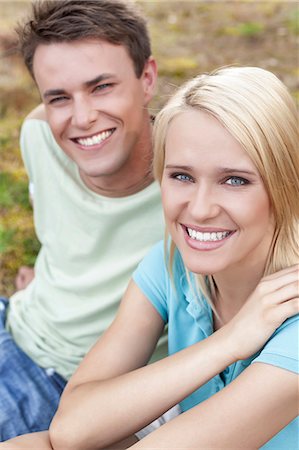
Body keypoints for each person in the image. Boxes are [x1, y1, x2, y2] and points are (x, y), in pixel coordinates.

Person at [2, 66, 298, 449]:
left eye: (235, 180)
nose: (201, 209)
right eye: (182, 176)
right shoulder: (172, 262)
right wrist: (231, 340)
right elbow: (71, 429)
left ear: (284, 185)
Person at [0, 0, 168, 440]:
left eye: (101, 87)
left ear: (146, 78)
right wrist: (53, 278)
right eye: (59, 97)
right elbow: (65, 231)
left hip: (71, 386)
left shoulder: (194, 182)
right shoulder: (39, 135)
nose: (81, 117)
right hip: (14, 321)